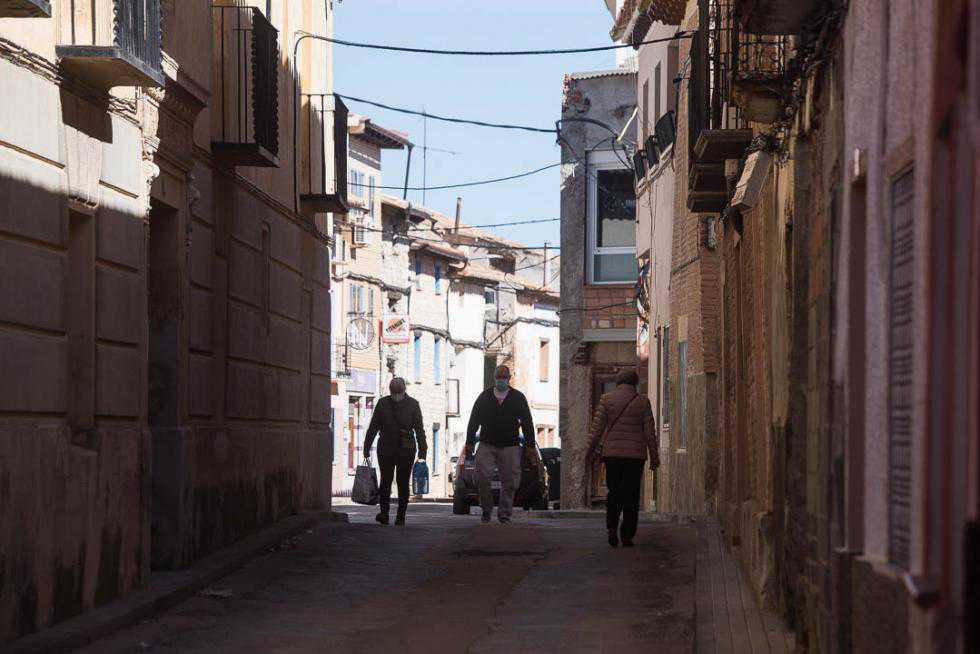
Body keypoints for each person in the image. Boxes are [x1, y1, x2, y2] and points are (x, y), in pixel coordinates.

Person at [586, 368, 658, 548]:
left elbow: (597, 429)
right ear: (635, 383)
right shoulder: (643, 402)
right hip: (635, 457)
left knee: (614, 492)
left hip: (612, 455)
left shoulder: (606, 399)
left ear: (618, 382)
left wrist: (589, 452)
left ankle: (611, 528)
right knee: (631, 495)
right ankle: (627, 535)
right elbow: (650, 432)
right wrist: (654, 457)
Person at [465, 365, 535, 524]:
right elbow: (473, 420)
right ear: (494, 378)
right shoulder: (484, 397)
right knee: (481, 476)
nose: (501, 380)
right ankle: (486, 508)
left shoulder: (518, 398)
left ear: (509, 378)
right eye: (498, 377)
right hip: (487, 444)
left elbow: (527, 422)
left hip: (510, 445)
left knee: (510, 481)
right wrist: (469, 442)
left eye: (504, 377)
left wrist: (530, 444)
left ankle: (504, 514)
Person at [364, 377, 426, 526]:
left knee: (401, 482)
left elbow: (419, 429)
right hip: (388, 449)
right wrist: (366, 447)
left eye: (399, 392)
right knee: (386, 481)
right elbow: (373, 427)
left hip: (404, 450)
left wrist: (423, 451)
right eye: (394, 392)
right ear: (390, 391)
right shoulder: (384, 404)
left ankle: (399, 516)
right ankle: (385, 514)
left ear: (404, 390)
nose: (397, 395)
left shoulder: (412, 405)